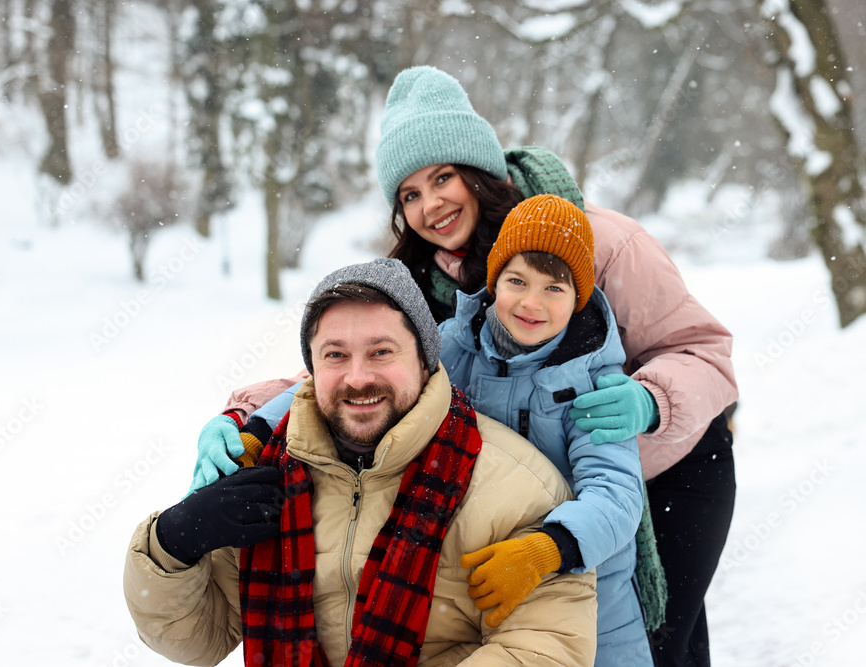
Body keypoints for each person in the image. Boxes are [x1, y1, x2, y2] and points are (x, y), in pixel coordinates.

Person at [190, 65, 738, 667]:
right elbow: (356, 370)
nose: (431, 205)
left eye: (443, 176)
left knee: (662, 648)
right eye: (409, 194)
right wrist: (247, 418)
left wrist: (649, 400)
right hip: (534, 501)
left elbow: (704, 352)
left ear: (482, 170)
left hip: (666, 473)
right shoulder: (422, 290)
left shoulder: (600, 242)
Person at [124, 258, 598, 666]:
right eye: (335, 355)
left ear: (425, 359)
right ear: (312, 366)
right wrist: (170, 546)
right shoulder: (264, 474)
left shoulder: (519, 486)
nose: (357, 377)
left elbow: (548, 647)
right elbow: (197, 642)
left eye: (381, 352)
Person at [441, 193, 649, 664]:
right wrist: (263, 426)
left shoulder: (594, 381)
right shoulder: (453, 346)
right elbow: (371, 379)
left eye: (554, 288)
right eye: (517, 280)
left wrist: (550, 548)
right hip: (474, 574)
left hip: (586, 583)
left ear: (578, 298)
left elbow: (616, 492)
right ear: (494, 283)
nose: (531, 303)